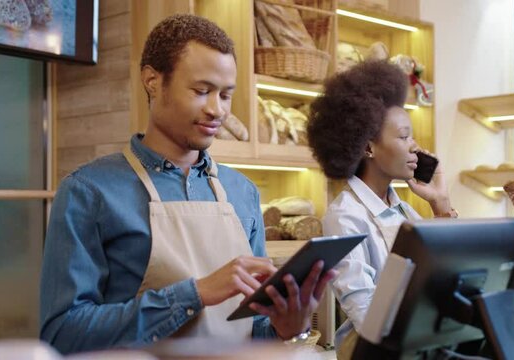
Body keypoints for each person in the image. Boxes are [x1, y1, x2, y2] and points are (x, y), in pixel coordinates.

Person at [40, 14, 336, 354]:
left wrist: (285, 328)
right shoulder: (88, 192)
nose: (217, 110)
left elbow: (252, 331)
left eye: (225, 95)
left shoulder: (243, 192)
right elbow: (61, 335)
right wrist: (193, 294)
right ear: (152, 80)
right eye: (201, 91)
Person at [306, 61, 456, 360]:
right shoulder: (344, 215)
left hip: (417, 343)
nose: (414, 147)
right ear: (368, 147)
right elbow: (364, 310)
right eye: (403, 136)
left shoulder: (405, 212)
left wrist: (440, 203)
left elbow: (451, 275)